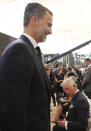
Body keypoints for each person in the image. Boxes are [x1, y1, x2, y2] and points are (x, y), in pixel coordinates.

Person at [0, 2, 53, 131]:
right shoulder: (19, 49)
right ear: (34, 20)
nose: (50, 31)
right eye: (49, 24)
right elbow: (11, 111)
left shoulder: (30, 50)